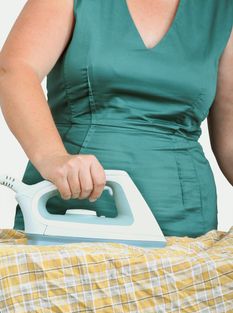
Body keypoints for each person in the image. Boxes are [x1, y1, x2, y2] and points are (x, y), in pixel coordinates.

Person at [0, 0, 233, 238]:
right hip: (69, 212)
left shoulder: (223, 9)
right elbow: (16, 70)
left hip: (185, 225)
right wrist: (52, 157)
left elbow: (230, 141)